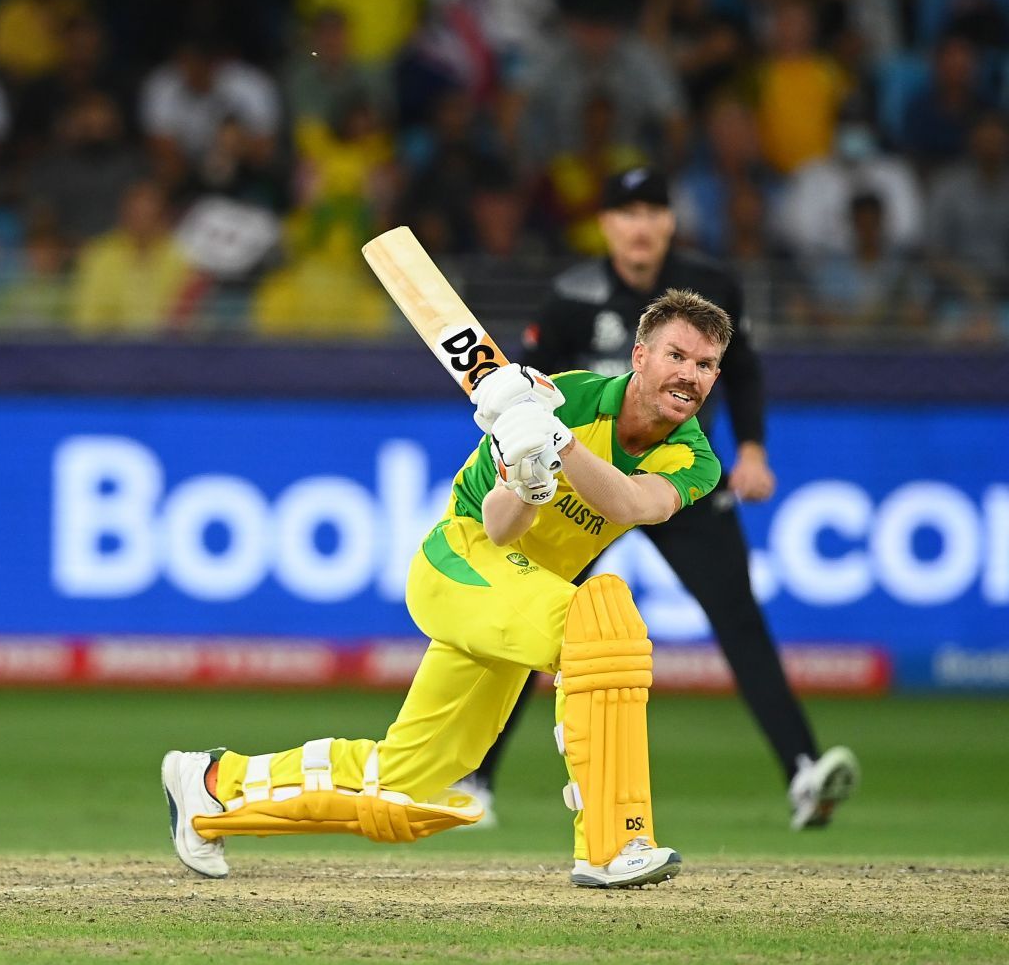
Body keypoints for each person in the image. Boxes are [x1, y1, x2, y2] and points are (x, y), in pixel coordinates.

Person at [165, 291, 737, 888]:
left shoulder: (693, 457)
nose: (688, 375)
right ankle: (613, 842)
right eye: (677, 355)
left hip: (520, 599)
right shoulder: (566, 399)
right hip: (461, 561)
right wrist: (525, 478)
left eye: (704, 365)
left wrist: (554, 446)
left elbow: (631, 502)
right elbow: (498, 525)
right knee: (597, 625)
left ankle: (212, 785)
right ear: (640, 356)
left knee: (409, 774)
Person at [455, 167, 859, 831]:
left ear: (670, 221)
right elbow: (524, 385)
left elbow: (748, 369)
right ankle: (475, 780)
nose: (640, 224)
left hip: (675, 474)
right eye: (625, 211)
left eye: (653, 210)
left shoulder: (713, 290)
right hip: (577, 484)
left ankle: (803, 772)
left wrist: (753, 449)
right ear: (606, 225)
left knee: (738, 617)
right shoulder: (571, 294)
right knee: (528, 622)